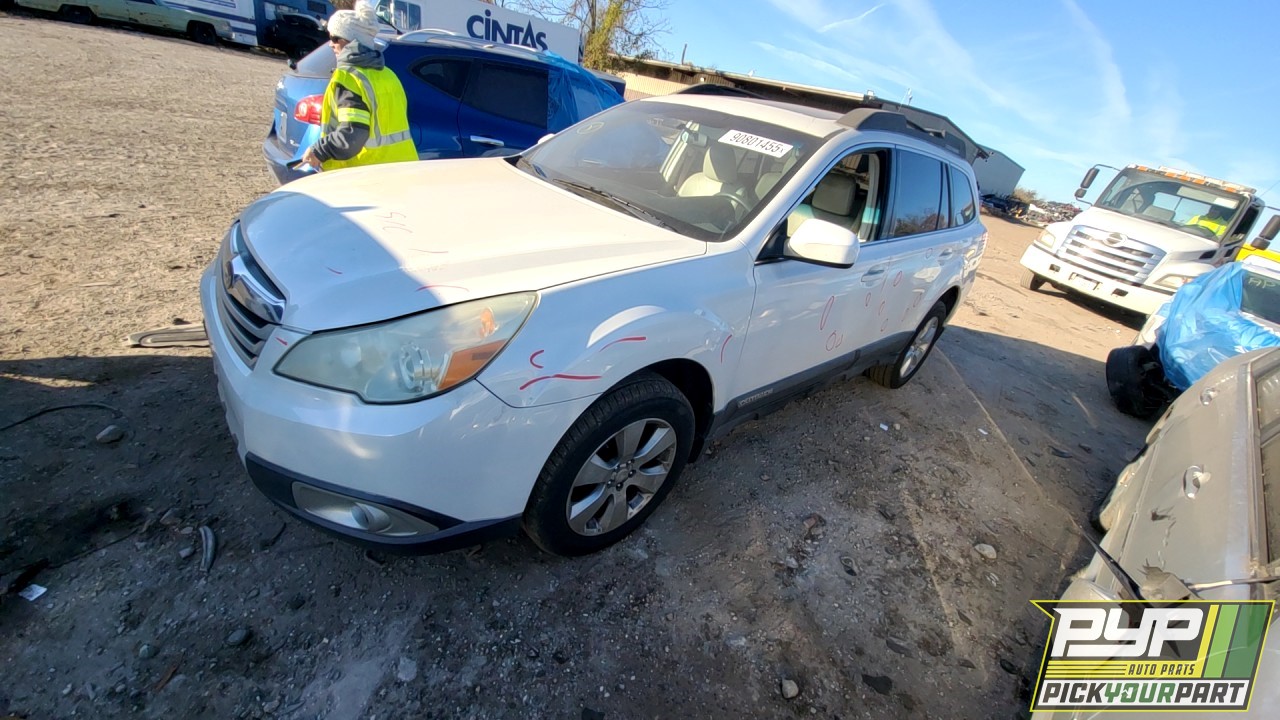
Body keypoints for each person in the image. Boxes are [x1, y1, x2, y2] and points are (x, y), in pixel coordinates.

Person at [299, 0, 416, 172]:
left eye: (334, 38)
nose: (331, 44)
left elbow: (352, 134)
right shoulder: (388, 74)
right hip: (401, 168)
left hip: (366, 173)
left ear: (349, 41)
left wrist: (319, 151)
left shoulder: (348, 78)